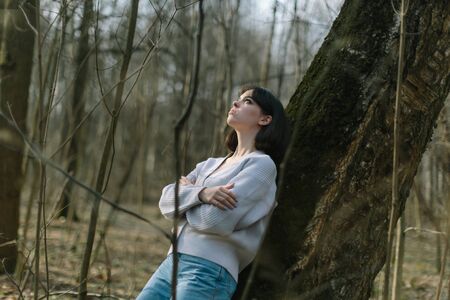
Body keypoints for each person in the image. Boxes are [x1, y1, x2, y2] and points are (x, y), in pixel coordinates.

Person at [137, 86, 290, 299]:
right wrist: (202, 194)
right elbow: (165, 201)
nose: (235, 103)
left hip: (209, 269)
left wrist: (185, 201)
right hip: (171, 263)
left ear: (265, 119)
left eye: (247, 102)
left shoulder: (261, 165)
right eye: (237, 99)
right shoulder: (210, 164)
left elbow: (214, 220)